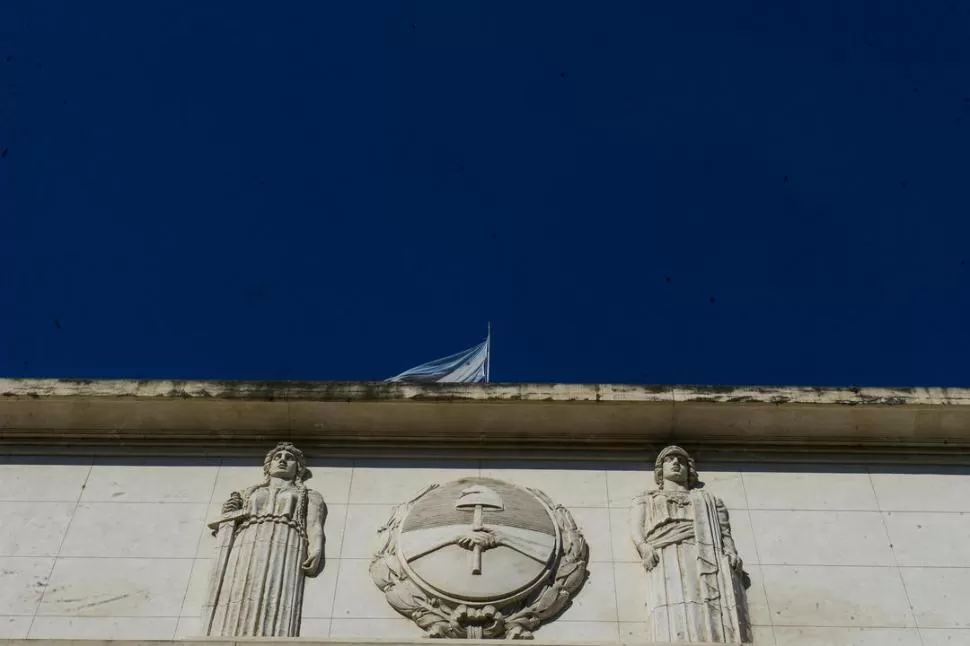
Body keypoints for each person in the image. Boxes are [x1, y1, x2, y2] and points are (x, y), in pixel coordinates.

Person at [203, 442, 326, 637]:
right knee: (238, 590)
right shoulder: (249, 493)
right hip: (246, 543)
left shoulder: (308, 495)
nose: (282, 460)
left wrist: (316, 548)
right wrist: (229, 512)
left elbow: (314, 524)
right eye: (278, 457)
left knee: (276, 594)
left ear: (299, 468)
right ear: (268, 467)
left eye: (289, 458)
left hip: (286, 542)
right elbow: (227, 524)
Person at [630, 445, 750, 643]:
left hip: (705, 551)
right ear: (660, 470)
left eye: (681, 461)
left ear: (690, 469)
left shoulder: (709, 500)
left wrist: (730, 552)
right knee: (671, 600)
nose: (676, 463)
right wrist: (644, 548)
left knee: (707, 602)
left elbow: (724, 533)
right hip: (665, 553)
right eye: (669, 460)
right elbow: (637, 529)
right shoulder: (647, 498)